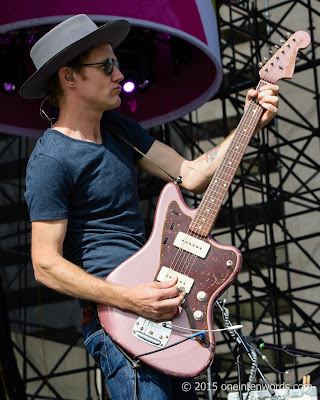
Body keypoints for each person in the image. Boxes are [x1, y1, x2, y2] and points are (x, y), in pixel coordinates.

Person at [21, 14, 279, 400]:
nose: (118, 73)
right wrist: (130, 298)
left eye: (116, 63)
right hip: (120, 320)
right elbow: (45, 265)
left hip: (165, 309)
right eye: (106, 65)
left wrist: (250, 122)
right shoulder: (51, 160)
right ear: (69, 77)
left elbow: (189, 175)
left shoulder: (117, 128)